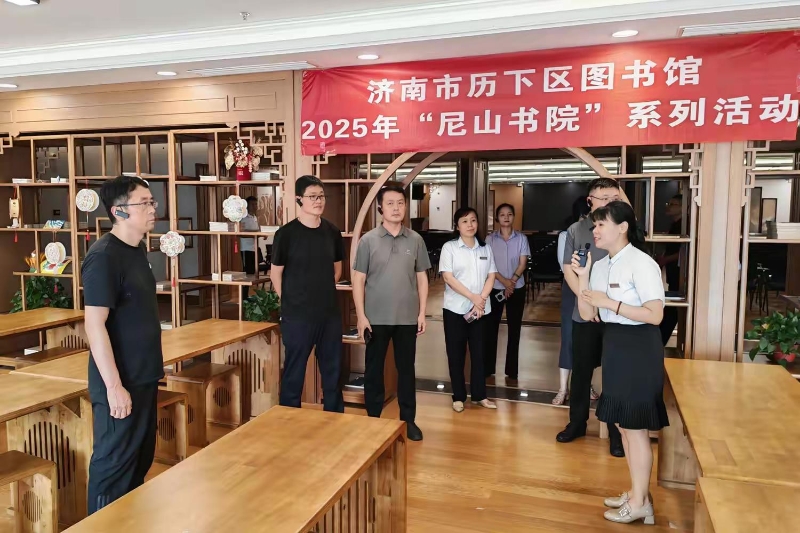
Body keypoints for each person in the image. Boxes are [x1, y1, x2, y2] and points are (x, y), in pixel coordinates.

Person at [572, 201, 668, 525]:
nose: (595, 230)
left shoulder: (641, 263)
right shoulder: (600, 265)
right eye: (594, 225)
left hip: (639, 347)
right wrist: (583, 277)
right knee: (623, 425)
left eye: (601, 224)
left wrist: (610, 302)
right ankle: (637, 493)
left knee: (635, 428)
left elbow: (655, 315)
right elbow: (588, 313)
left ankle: (641, 503)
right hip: (614, 344)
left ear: (623, 227)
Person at [82, 175, 162, 514]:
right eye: (144, 203)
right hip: (119, 381)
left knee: (139, 461)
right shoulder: (104, 256)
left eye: (151, 201)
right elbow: (94, 324)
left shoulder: (137, 249)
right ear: (119, 211)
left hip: (144, 375)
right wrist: (114, 387)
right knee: (113, 466)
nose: (152, 208)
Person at [353, 184, 430, 441]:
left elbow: (422, 278)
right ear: (380, 208)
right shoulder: (368, 240)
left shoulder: (416, 240)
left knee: (406, 371)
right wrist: (361, 316)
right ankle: (373, 419)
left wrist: (422, 312)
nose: (396, 208)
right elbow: (358, 280)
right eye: (390, 203)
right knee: (373, 370)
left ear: (406, 206)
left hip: (407, 318)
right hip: (375, 319)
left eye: (400, 203)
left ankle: (409, 420)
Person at [557, 178, 625, 458]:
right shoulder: (577, 229)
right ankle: (577, 423)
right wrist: (587, 300)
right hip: (584, 313)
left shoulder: (624, 227)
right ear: (590, 201)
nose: (608, 202)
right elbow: (568, 269)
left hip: (617, 314)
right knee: (582, 370)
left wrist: (606, 305)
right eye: (603, 198)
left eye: (613, 198)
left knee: (614, 373)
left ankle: (616, 431)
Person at [271, 175, 344, 413]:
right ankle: (288, 419)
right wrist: (290, 302)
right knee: (294, 372)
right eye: (312, 196)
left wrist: (319, 290)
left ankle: (334, 417)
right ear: (299, 199)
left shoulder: (332, 231)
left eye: (321, 196)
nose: (318, 201)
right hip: (298, 316)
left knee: (333, 372)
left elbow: (337, 269)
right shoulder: (286, 234)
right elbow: (276, 274)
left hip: (329, 314)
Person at [439, 207, 498, 412]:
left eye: (473, 220)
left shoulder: (485, 248)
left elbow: (491, 275)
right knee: (456, 354)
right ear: (457, 226)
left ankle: (480, 395)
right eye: (464, 221)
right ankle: (458, 396)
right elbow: (448, 277)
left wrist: (480, 300)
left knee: (479, 354)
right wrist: (473, 297)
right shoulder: (450, 248)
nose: (470, 225)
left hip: (480, 311)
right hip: (455, 309)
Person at [553, 197, 597, 405]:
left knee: (588, 342)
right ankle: (563, 388)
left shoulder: (599, 233)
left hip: (594, 290)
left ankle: (586, 385)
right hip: (573, 290)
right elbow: (566, 268)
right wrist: (583, 295)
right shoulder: (568, 234)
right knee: (569, 339)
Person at [484, 203, 530, 381]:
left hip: (517, 288)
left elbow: (523, 263)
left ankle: (512, 370)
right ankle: (488, 367)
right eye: (502, 214)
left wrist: (512, 282)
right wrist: (504, 282)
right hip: (495, 287)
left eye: (509, 214)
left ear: (513, 217)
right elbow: (488, 264)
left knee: (514, 328)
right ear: (497, 218)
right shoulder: (490, 239)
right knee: (491, 328)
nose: (506, 217)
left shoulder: (521, 238)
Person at [658, 194, 683, 346]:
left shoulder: (684, 225)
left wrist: (665, 259)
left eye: (673, 204)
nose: (668, 207)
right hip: (674, 271)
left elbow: (683, 252)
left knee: (673, 308)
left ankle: (660, 341)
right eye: (669, 203)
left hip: (681, 272)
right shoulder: (675, 224)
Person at [239, 196, 260, 300]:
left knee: (252, 273)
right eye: (252, 204)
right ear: (247, 206)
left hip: (254, 248)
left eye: (256, 204)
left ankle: (249, 296)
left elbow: (257, 231)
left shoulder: (255, 217)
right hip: (246, 249)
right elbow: (241, 233)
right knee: (246, 273)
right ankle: (243, 297)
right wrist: (256, 233)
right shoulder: (243, 218)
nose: (255, 206)